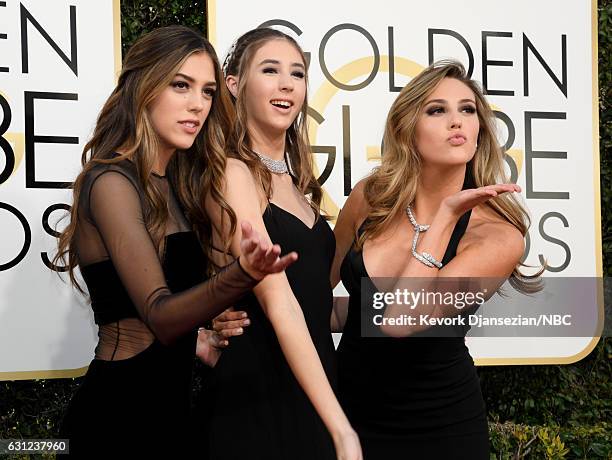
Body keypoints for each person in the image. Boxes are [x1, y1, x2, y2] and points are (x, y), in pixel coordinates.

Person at [54, 26, 296, 458]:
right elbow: (160, 315)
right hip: (116, 420)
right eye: (180, 85)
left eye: (206, 91)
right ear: (144, 88)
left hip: (174, 417)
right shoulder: (111, 181)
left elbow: (173, 319)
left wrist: (203, 334)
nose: (197, 105)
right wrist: (242, 274)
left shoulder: (177, 184)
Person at [329, 60, 541, 459]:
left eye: (467, 110)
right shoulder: (369, 199)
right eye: (437, 109)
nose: (457, 121)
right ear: (407, 128)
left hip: (440, 432)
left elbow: (400, 320)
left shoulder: (497, 235)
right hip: (346, 417)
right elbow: (327, 296)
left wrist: (444, 217)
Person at [197, 27, 361, 460]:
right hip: (258, 398)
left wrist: (397, 308)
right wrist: (343, 431)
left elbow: (313, 302)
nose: (287, 83)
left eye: (298, 73)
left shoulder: (296, 185)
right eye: (270, 70)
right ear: (234, 84)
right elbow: (279, 302)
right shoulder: (232, 173)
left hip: (313, 387)